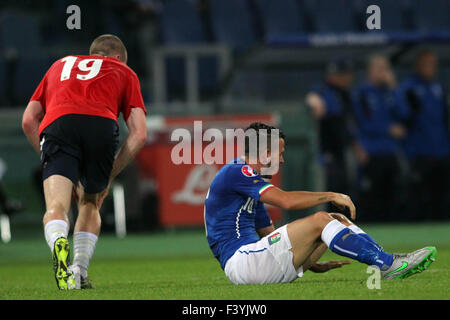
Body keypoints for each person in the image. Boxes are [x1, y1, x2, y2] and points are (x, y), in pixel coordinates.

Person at [204, 122, 436, 285]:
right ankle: (388, 265)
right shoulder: (236, 171)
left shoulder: (248, 184)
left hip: (257, 260)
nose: (282, 160)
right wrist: (330, 195)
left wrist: (312, 263)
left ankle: (388, 260)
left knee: (337, 220)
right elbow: (286, 200)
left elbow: (268, 236)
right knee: (321, 220)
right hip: (243, 261)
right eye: (280, 153)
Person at [22, 34, 147, 290]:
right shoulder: (124, 71)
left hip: (58, 124)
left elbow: (28, 120)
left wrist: (49, 159)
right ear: (116, 58)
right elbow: (139, 134)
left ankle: (58, 239)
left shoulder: (59, 65)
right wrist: (109, 176)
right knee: (90, 201)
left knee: (56, 206)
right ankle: (78, 270)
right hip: (100, 124)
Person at [352, 55, 407, 221]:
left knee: (394, 198)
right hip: (371, 153)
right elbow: (362, 122)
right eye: (380, 68)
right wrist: (388, 129)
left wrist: (394, 88)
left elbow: (404, 113)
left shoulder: (390, 92)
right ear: (370, 71)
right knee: (370, 199)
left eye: (386, 68)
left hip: (391, 152)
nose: (384, 73)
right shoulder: (362, 94)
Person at [396, 49, 450, 220]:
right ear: (417, 65)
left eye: (433, 64)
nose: (431, 68)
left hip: (441, 149)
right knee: (419, 195)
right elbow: (402, 116)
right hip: (419, 150)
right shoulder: (408, 88)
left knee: (441, 194)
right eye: (427, 64)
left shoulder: (438, 87)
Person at [305, 58, 363, 206]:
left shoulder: (347, 94)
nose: (347, 78)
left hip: (342, 149)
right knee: (331, 187)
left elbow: (349, 125)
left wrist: (356, 146)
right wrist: (313, 99)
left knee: (345, 186)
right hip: (327, 149)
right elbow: (312, 97)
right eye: (343, 75)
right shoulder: (324, 91)